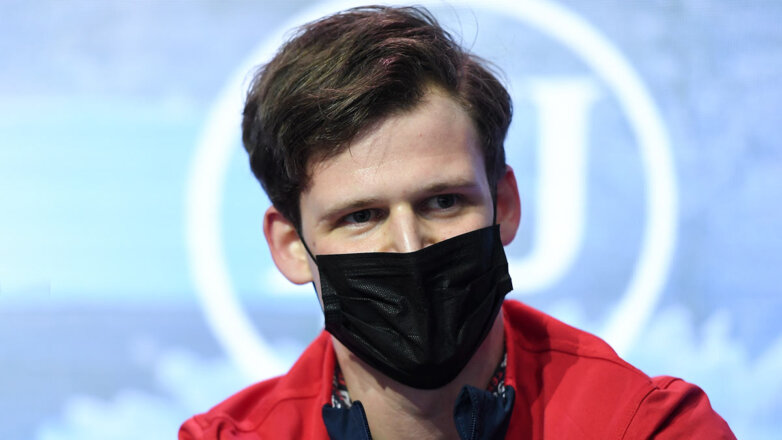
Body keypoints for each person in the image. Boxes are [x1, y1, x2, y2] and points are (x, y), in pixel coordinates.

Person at [179, 6, 735, 439]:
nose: (408, 245)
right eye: (361, 216)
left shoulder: (644, 427)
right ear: (291, 247)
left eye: (443, 202)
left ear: (505, 205)